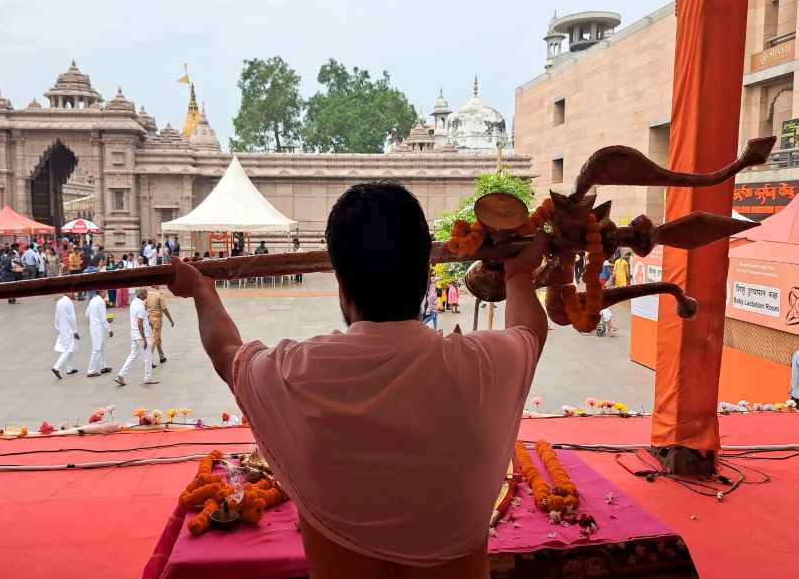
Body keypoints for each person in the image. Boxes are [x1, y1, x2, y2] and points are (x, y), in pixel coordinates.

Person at [168, 181, 547, 578]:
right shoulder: (484, 367)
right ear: (424, 275)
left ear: (342, 285)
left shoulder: (297, 373)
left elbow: (225, 354)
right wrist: (519, 273)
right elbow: (529, 330)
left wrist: (201, 290)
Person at [114, 288, 157, 386]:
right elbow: (140, 324)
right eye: (146, 294)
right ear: (142, 295)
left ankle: (121, 375)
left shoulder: (133, 303)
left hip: (134, 334)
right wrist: (145, 339)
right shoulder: (140, 307)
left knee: (133, 355)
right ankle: (148, 378)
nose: (147, 296)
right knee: (148, 357)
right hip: (141, 335)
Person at [85, 289, 114, 377]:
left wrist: (93, 320)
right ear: (100, 292)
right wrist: (109, 329)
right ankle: (91, 371)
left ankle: (103, 366)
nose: (106, 293)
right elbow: (103, 318)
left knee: (102, 347)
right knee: (97, 349)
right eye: (105, 291)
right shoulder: (101, 302)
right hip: (98, 328)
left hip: (94, 327)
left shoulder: (93, 300)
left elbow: (87, 314)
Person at [145, 285, 175, 364]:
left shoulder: (147, 294)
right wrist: (171, 320)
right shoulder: (159, 295)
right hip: (157, 319)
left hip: (150, 318)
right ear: (157, 286)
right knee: (155, 338)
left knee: (158, 338)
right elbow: (164, 309)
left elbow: (144, 307)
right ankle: (148, 358)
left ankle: (161, 356)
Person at [52, 294, 80, 379]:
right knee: (68, 349)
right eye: (73, 293)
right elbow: (72, 318)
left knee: (69, 348)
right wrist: (75, 331)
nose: (75, 294)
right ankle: (56, 367)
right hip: (69, 330)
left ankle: (69, 368)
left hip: (62, 329)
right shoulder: (69, 302)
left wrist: (58, 328)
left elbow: (56, 318)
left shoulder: (59, 302)